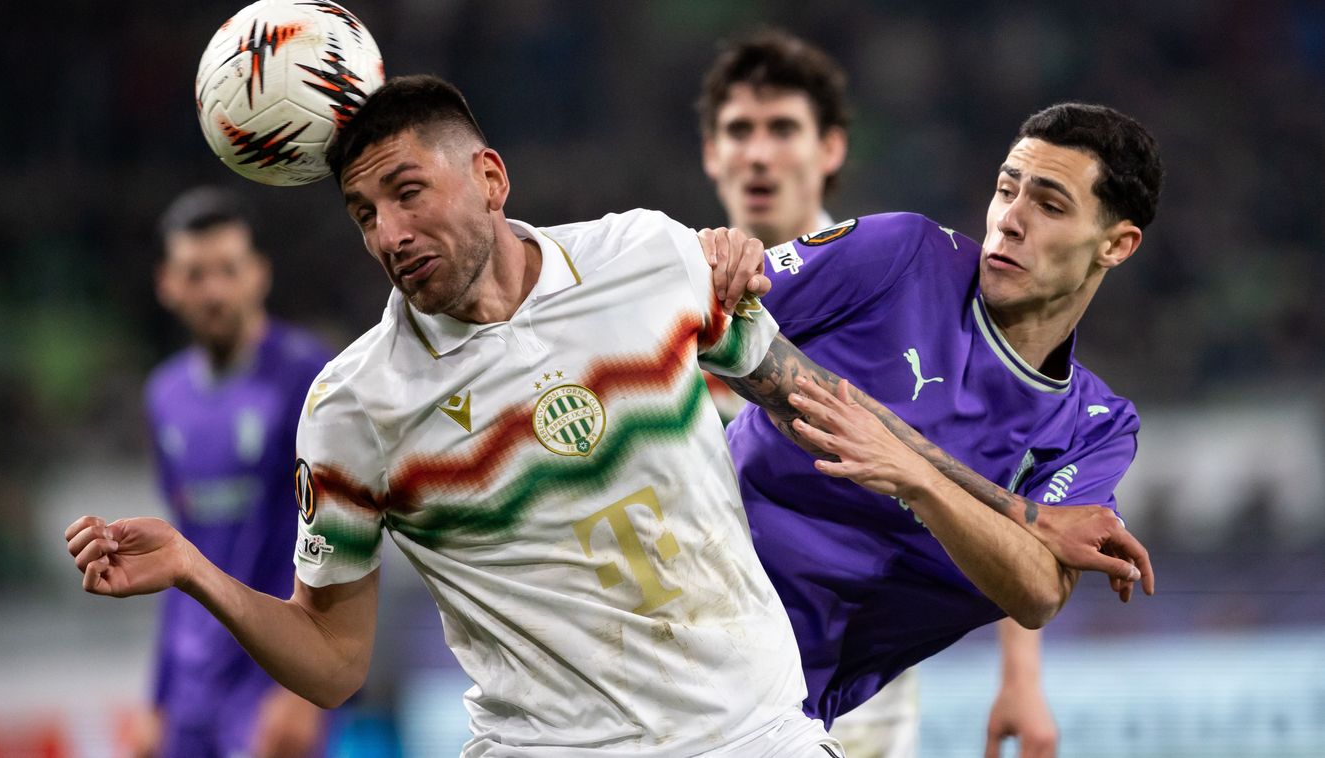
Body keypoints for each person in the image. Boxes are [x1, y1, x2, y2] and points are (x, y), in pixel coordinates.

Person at [67, 75, 1149, 757]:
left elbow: (820, 402)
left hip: (756, 730)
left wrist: (1014, 509)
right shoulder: (352, 408)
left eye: (407, 193)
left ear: (489, 178)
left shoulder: (646, 259)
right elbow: (335, 661)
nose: (387, 233)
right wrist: (198, 573)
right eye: (362, 212)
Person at [720, 95, 1163, 758]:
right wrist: (721, 259)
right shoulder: (900, 256)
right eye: (1005, 190)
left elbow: (1038, 590)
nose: (1009, 220)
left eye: (1048, 205)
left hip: (774, 712)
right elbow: (713, 314)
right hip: (666, 598)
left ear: (1116, 244)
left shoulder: (1094, 428)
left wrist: (918, 479)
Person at [697, 30, 1061, 757]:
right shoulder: (682, 308)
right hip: (712, 669)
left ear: (830, 149)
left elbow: (1000, 474)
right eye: (739, 131)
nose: (758, 154)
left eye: (783, 129)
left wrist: (1021, 675)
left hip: (861, 694)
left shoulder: (894, 300)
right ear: (712, 153)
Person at [141, 186, 336, 757]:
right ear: (166, 284)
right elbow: (183, 545)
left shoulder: (310, 377)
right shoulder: (164, 395)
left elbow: (344, 532)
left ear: (259, 274)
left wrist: (305, 691)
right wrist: (158, 697)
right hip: (192, 681)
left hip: (273, 674)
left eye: (228, 269)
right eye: (195, 274)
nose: (214, 291)